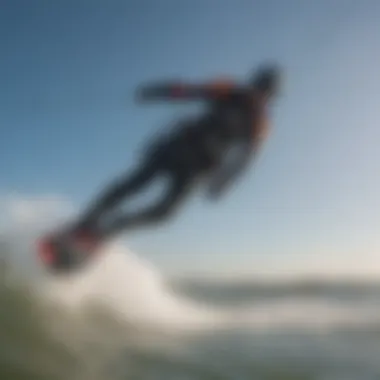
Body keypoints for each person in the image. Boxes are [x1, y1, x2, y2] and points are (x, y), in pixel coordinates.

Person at [39, 64, 282, 268]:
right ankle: (83, 225)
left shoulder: (260, 124)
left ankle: (103, 232)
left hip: (198, 168)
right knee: (133, 185)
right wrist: (156, 92)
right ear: (255, 83)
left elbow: (244, 161)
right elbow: (187, 90)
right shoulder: (229, 91)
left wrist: (222, 184)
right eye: (259, 86)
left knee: (164, 213)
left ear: (270, 95)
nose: (259, 93)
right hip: (177, 147)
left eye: (264, 91)